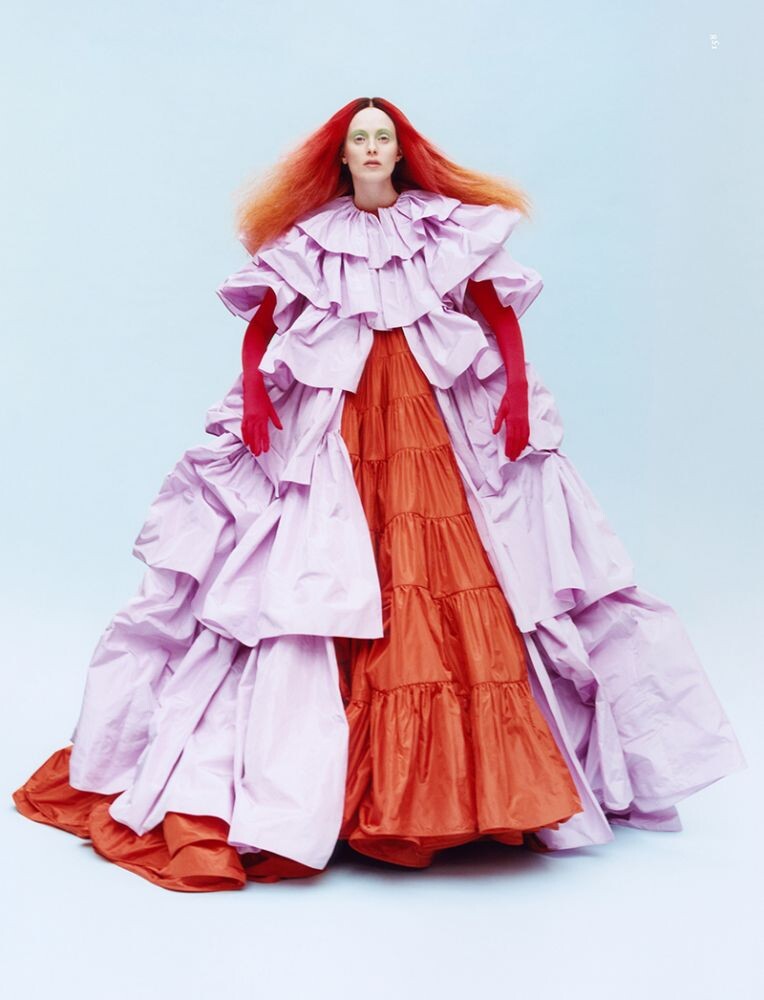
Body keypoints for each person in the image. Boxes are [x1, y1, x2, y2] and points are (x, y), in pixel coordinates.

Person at [12, 96, 746, 892]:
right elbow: (266, 322)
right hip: (341, 421)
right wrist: (254, 392)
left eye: (382, 138)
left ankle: (468, 788)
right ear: (342, 155)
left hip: (430, 420)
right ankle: (338, 790)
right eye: (359, 138)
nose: (370, 148)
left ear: (400, 152)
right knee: (321, 571)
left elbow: (495, 310)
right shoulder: (312, 238)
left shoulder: (440, 227)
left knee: (449, 567)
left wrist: (514, 390)